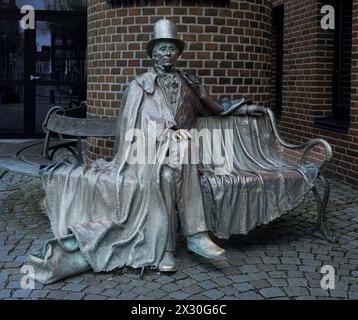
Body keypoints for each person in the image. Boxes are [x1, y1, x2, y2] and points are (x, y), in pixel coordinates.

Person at [29, 19, 264, 283]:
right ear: (152, 53)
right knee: (175, 156)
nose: (167, 54)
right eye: (162, 49)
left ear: (178, 54)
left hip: (177, 161)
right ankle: (188, 237)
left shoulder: (189, 85)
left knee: (171, 167)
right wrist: (163, 132)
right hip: (143, 155)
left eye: (171, 49)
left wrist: (244, 109)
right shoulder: (139, 86)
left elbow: (215, 109)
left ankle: (173, 248)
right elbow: (130, 129)